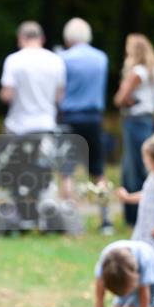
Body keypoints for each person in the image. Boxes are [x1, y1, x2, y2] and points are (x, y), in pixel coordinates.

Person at [57, 17, 112, 233]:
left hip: (70, 117)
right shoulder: (101, 58)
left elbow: (60, 90)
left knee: (66, 171)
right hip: (94, 117)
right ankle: (105, 220)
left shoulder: (64, 58)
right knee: (98, 170)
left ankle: (70, 222)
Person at [114, 33, 154, 226]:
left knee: (133, 168)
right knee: (150, 165)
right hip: (149, 119)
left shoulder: (137, 73)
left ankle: (133, 215)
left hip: (134, 121)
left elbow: (119, 98)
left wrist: (126, 96)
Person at [0, 21, 65, 135]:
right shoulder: (56, 60)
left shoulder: (13, 60)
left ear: (20, 38)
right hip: (46, 124)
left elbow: (7, 95)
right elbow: (59, 97)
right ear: (42, 38)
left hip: (18, 126)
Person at [93, 239, 154, 307]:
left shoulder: (145, 257)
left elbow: (145, 290)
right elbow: (100, 281)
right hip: (126, 280)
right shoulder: (107, 256)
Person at [118, 133, 154, 259]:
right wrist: (128, 197)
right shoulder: (152, 176)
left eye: (146, 157)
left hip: (153, 225)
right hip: (144, 224)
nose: (144, 160)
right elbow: (146, 195)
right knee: (139, 251)